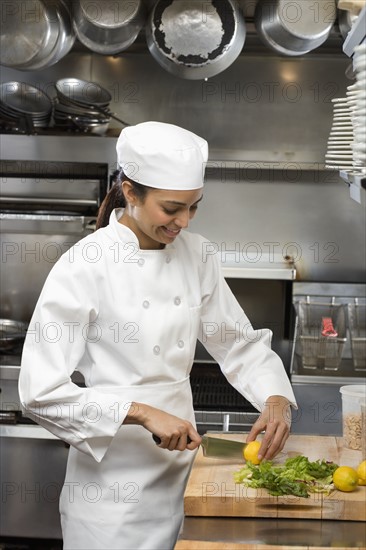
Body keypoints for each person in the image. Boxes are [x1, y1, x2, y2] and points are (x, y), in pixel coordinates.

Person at [19, 121, 297, 550]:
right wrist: (141, 412)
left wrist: (275, 399)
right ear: (130, 193)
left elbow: (236, 341)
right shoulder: (86, 264)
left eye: (194, 207)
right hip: (110, 496)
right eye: (171, 209)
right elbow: (39, 393)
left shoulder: (198, 253)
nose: (183, 222)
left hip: (184, 475)